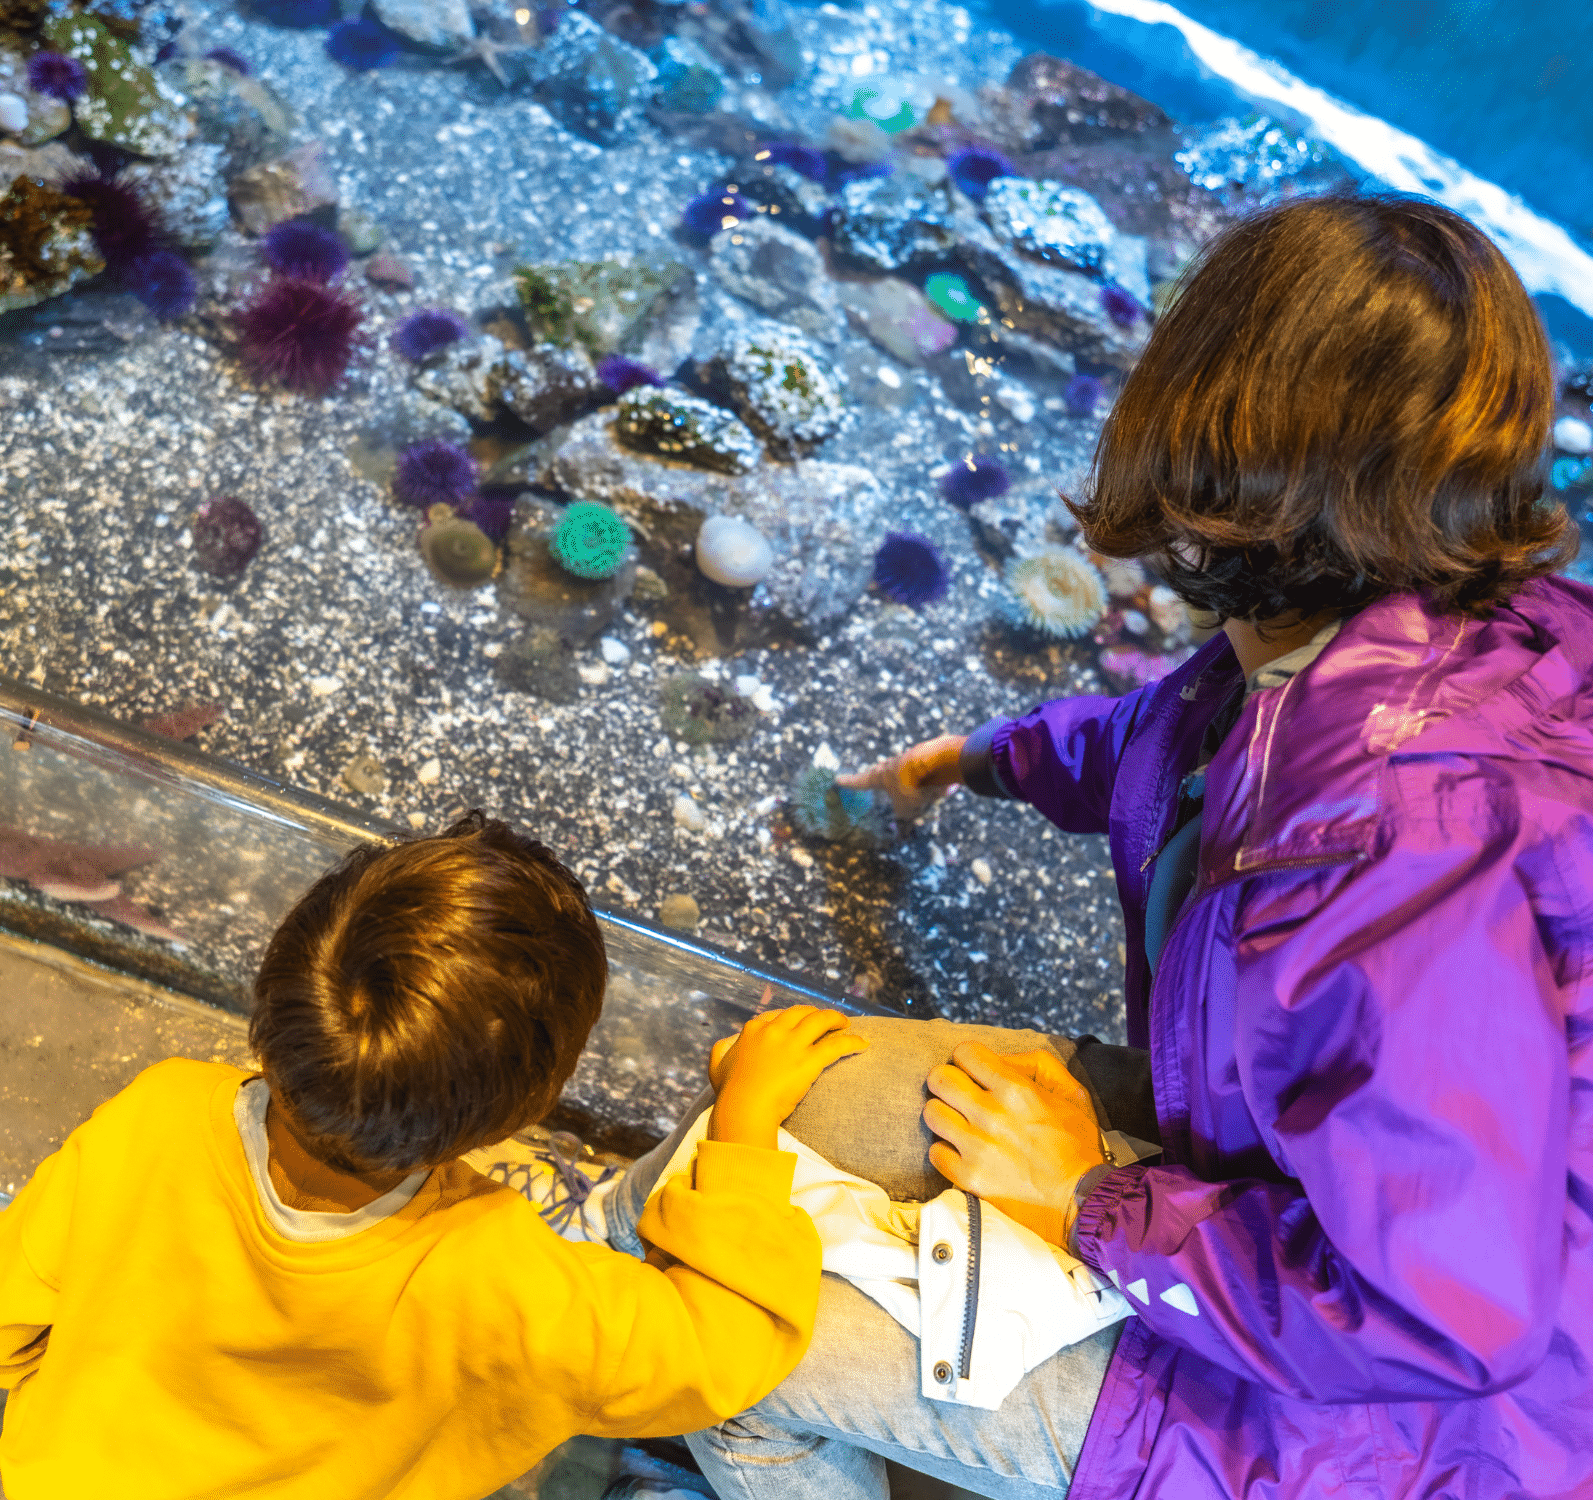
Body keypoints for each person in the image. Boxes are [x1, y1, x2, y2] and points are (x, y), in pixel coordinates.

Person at [642, 194, 1593, 1499]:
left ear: (1211, 433)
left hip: (1383, 1420)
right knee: (766, 1088)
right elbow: (1179, 745)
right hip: (1283, 1187)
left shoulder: (1407, 849)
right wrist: (975, 760)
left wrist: (1089, 1200)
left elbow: (1449, 1317)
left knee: (735, 1360)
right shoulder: (1389, 629)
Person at [0, 811, 866, 1499]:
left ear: (275, 995)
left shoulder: (155, 1118)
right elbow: (717, 1346)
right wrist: (744, 1121)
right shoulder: (497, 1277)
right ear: (522, 1109)